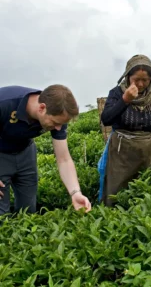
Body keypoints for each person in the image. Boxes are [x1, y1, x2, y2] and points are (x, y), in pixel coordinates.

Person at [0, 84, 92, 216]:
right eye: (55, 123)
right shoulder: (5, 103)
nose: (58, 128)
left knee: (28, 212)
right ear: (42, 108)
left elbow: (64, 159)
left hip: (25, 152)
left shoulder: (59, 113)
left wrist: (75, 192)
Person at [100, 54, 151, 206]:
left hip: (145, 151)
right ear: (127, 77)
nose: (140, 84)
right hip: (121, 151)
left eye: (145, 80)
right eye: (136, 79)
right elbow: (106, 119)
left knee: (142, 190)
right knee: (116, 191)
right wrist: (125, 100)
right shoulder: (117, 93)